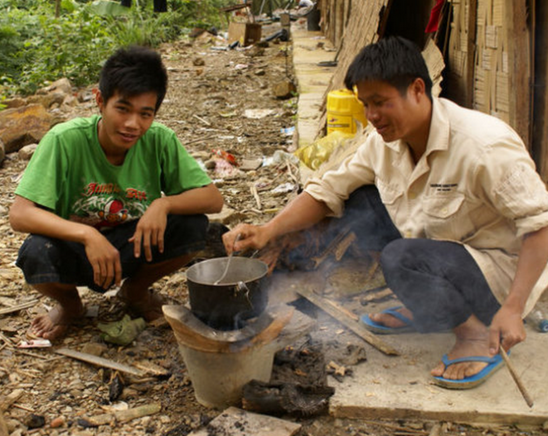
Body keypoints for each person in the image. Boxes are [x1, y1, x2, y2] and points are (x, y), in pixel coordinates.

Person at [222, 36, 548, 389]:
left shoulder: (484, 146)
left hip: (497, 279)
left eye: (381, 102)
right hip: (441, 255)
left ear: (418, 89)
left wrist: (512, 309)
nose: (372, 116)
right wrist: (268, 230)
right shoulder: (383, 142)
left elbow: (541, 225)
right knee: (361, 201)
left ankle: (474, 334)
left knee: (400, 258)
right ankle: (429, 308)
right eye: (365, 104)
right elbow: (328, 189)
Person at [10, 46, 224, 340]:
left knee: (192, 226)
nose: (132, 124)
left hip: (132, 245)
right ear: (100, 100)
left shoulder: (160, 140)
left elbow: (213, 199)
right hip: (76, 249)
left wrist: (162, 204)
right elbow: (20, 214)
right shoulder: (64, 140)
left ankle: (135, 292)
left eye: (145, 114)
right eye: (122, 109)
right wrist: (88, 235)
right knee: (34, 252)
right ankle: (70, 305)